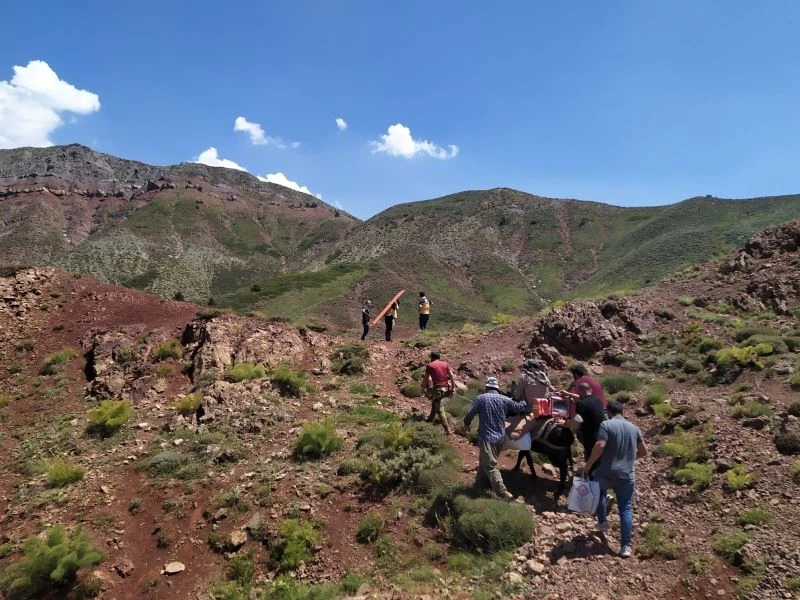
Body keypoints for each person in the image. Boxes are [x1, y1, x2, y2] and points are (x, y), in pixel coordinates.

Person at [582, 400, 647, 558]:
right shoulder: (634, 428)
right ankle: (625, 546)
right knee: (625, 508)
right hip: (627, 475)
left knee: (598, 490)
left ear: (608, 412)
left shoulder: (606, 425)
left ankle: (603, 522)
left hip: (607, 473)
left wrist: (588, 465)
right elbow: (644, 452)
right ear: (622, 412)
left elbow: (600, 445)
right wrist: (631, 459)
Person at [463, 376, 529, 501]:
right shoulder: (504, 399)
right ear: (497, 388)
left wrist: (466, 424)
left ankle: (503, 493)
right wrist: (525, 400)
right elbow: (519, 408)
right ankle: (479, 486)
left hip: (487, 437)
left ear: (487, 387)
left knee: (490, 466)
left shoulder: (481, 398)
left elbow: (469, 414)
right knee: (484, 462)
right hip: (500, 438)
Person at [571, 382, 606, 468]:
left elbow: (577, 422)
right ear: (590, 390)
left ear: (579, 392)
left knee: (591, 458)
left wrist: (564, 423)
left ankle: (590, 476)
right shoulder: (598, 400)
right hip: (602, 433)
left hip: (590, 436)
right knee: (600, 457)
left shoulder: (581, 404)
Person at [421, 349, 454, 434]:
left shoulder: (430, 365)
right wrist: (452, 388)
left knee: (439, 409)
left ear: (431, 357)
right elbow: (452, 376)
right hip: (446, 388)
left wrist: (423, 389)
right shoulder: (445, 364)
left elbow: (426, 379)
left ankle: (447, 429)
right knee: (435, 402)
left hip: (438, 389)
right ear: (439, 357)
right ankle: (430, 420)